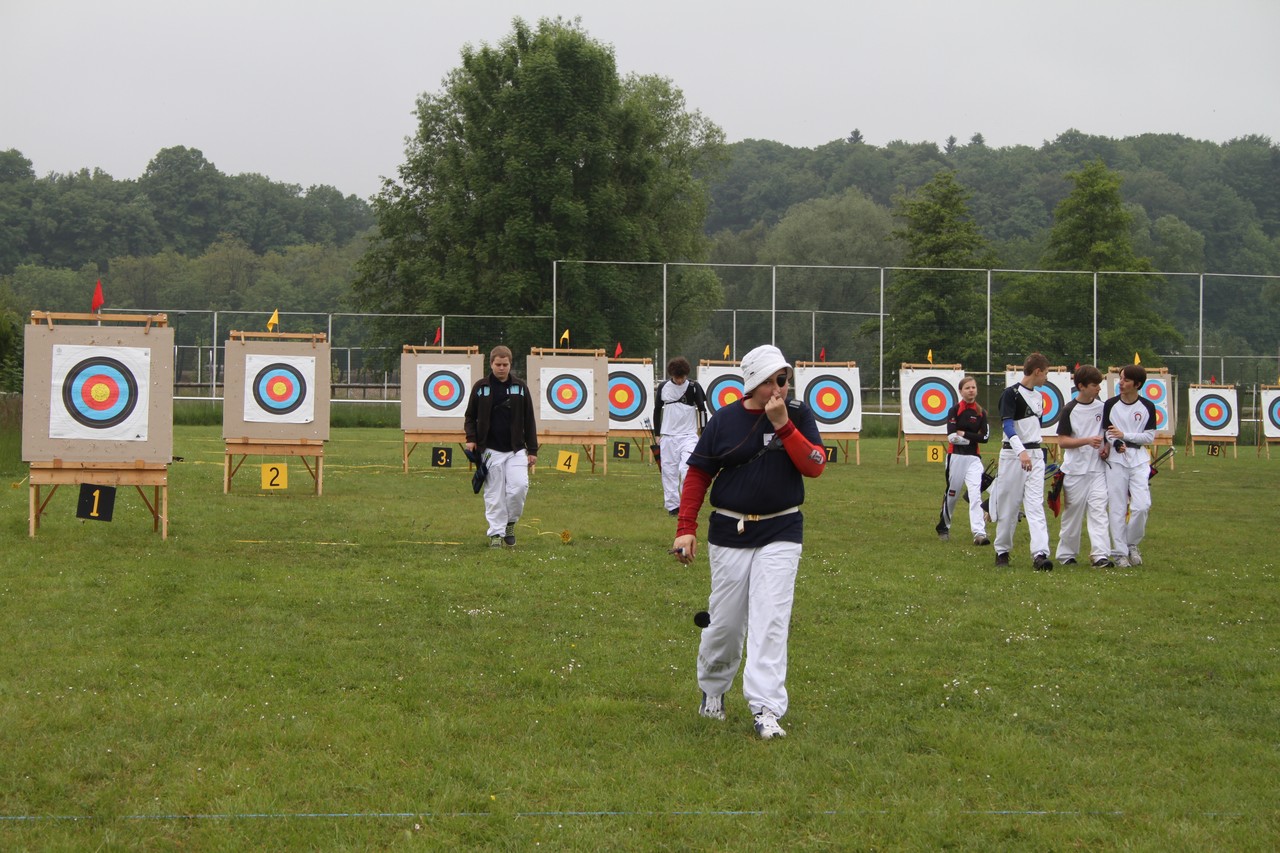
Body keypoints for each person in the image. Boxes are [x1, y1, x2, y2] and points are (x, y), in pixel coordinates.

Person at [670, 344, 827, 740]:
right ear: (754, 382)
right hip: (730, 531)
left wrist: (783, 424)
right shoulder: (724, 420)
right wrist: (685, 526)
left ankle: (766, 709)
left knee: (771, 620)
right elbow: (698, 475)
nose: (781, 386)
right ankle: (713, 690)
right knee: (724, 623)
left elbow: (814, 466)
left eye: (785, 378)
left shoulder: (799, 414)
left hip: (782, 530)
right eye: (774, 379)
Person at [464, 345, 539, 548]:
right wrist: (471, 438)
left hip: (516, 449)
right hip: (489, 449)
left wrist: (532, 450)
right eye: (498, 364)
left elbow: (529, 419)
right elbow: (470, 416)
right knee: (494, 493)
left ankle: (510, 523)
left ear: (510, 364)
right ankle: (496, 534)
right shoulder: (481, 387)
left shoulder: (520, 387)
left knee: (519, 487)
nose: (501, 368)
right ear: (491, 364)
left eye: (505, 364)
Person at [992, 353, 1053, 570]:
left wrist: (1030, 452)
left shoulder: (1039, 396)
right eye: (1046, 373)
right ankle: (1002, 551)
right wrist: (1021, 452)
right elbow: (1008, 426)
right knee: (1009, 505)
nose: (1047, 377)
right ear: (1037, 372)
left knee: (1035, 504)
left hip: (1035, 455)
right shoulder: (1011, 394)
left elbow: (1035, 428)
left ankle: (1040, 554)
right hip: (1013, 455)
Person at [1053, 365, 1114, 568]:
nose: (1098, 388)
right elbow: (1062, 441)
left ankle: (1100, 555)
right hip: (1075, 470)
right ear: (1081, 386)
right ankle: (1066, 555)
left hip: (1097, 469)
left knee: (1099, 510)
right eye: (1094, 385)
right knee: (1073, 513)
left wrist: (1106, 447)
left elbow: (1107, 434)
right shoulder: (1069, 409)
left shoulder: (1103, 407)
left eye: (1099, 384)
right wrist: (1086, 441)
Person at [1101, 363, 1158, 567]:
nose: (1121, 383)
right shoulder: (1110, 404)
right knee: (1117, 506)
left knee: (1142, 506)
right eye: (1121, 378)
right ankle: (1119, 553)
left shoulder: (1147, 407)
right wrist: (1116, 442)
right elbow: (1107, 432)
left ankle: (1131, 544)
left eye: (1126, 379)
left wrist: (1124, 436)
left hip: (1139, 460)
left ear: (1137, 384)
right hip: (1116, 461)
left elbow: (1149, 437)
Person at [935, 375, 990, 545]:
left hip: (973, 458)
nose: (971, 390)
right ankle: (944, 527)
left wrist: (965, 435)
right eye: (967, 388)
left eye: (973, 387)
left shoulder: (981, 413)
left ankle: (979, 533)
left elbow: (986, 437)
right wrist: (973, 438)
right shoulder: (954, 410)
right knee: (952, 494)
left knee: (975, 494)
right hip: (956, 457)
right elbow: (952, 437)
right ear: (961, 391)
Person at [653, 356, 708, 516]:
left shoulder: (694, 387)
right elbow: (657, 410)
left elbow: (702, 410)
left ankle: (687, 504)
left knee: (687, 469)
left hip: (688, 436)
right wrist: (658, 433)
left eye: (682, 377)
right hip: (668, 436)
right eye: (676, 378)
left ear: (686, 375)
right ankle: (673, 507)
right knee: (668, 472)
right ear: (672, 375)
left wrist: (703, 433)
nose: (679, 381)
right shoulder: (664, 387)